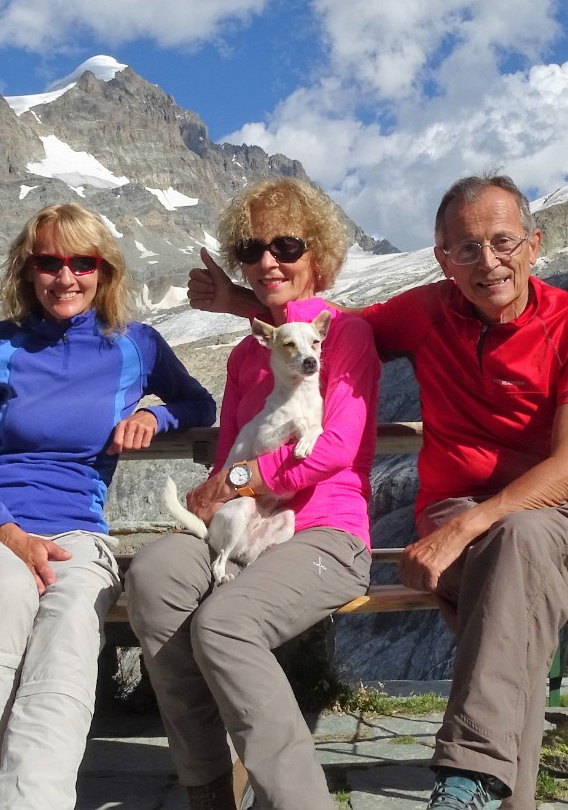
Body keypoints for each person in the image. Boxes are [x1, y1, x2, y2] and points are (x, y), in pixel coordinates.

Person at [188, 173, 568, 810]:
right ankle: (489, 789)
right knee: (515, 604)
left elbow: (566, 470)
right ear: (443, 259)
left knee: (519, 546)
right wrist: (242, 307)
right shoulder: (425, 312)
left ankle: (469, 776)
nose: (488, 261)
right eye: (466, 248)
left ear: (534, 244)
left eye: (502, 242)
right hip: (456, 517)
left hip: (548, 515)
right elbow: (325, 331)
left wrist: (464, 530)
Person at [0, 203, 215, 810]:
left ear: (105, 272)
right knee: (2, 595)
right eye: (49, 262)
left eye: (84, 262)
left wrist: (153, 414)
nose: (66, 277)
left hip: (78, 530)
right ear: (27, 272)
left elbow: (199, 405)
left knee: (72, 617)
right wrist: (8, 533)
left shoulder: (137, 346)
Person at [124, 176, 380, 809]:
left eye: (286, 246)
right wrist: (221, 488)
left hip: (326, 529)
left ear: (317, 254)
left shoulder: (343, 336)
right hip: (245, 521)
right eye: (251, 249)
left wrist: (240, 481)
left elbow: (334, 449)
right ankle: (207, 788)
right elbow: (235, 448)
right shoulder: (248, 355)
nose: (268, 260)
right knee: (153, 578)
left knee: (225, 624)